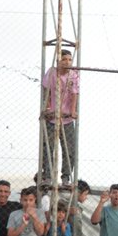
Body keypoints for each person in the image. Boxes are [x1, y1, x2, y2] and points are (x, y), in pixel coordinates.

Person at [40, 48, 79, 186]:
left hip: (67, 117)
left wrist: (73, 111)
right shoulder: (52, 73)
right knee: (48, 147)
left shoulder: (73, 74)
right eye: (64, 59)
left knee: (69, 148)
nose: (67, 62)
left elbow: (75, 94)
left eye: (69, 59)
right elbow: (46, 91)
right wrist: (47, 108)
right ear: (58, 61)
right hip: (52, 116)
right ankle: (48, 176)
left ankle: (66, 177)